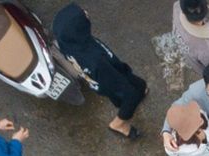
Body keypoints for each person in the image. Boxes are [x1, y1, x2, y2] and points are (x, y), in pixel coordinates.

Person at [52, 5, 147, 140]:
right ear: (77, 30)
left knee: (132, 89)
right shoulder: (95, 61)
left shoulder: (69, 43)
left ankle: (125, 101)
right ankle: (118, 123)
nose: (86, 12)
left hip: (101, 75)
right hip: (104, 75)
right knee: (132, 93)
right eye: (82, 16)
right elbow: (112, 81)